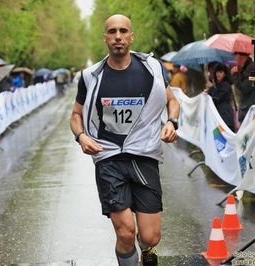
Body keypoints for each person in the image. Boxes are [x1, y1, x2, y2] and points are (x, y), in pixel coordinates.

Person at [69, 14, 180, 266]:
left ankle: (148, 250)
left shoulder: (152, 68)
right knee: (126, 232)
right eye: (112, 31)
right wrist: (81, 136)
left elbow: (172, 101)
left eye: (122, 31)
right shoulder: (91, 76)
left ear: (131, 36)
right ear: (105, 38)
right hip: (108, 158)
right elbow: (76, 115)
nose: (117, 36)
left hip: (144, 155)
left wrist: (172, 122)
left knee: (150, 237)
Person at [231, 52, 255, 122]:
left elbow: (245, 87)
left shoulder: (250, 69)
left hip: (252, 111)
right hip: (253, 109)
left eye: (235, 56)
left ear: (239, 56)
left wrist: (235, 75)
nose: (235, 58)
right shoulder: (249, 67)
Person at [204, 63, 235, 131]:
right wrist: (208, 92)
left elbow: (218, 98)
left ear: (225, 74)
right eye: (217, 71)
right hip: (218, 116)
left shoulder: (225, 85)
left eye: (221, 72)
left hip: (225, 116)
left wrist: (212, 88)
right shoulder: (218, 84)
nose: (218, 74)